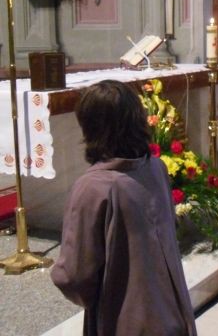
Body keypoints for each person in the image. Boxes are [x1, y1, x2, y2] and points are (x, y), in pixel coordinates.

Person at [50, 80, 198, 336]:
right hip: (171, 313)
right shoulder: (156, 168)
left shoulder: (93, 187)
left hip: (127, 321)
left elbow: (74, 277)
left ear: (91, 128)